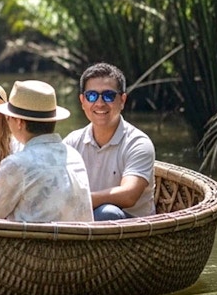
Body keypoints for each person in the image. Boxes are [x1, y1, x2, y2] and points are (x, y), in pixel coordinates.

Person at [0, 80, 93, 223]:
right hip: (79, 249)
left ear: (19, 122)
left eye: (9, 117)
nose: (7, 120)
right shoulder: (74, 155)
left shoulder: (17, 163)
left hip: (32, 249)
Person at [63, 62, 157, 220]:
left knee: (107, 213)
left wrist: (81, 200)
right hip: (85, 219)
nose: (99, 103)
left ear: (122, 100)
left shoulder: (138, 143)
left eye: (108, 95)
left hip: (133, 229)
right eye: (91, 96)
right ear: (82, 101)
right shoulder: (73, 141)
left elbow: (129, 195)